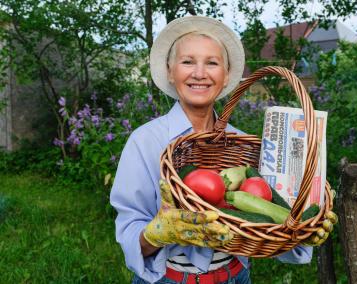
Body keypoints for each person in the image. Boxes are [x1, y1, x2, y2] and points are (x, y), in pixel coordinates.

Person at [110, 16, 312, 284]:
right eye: (187, 61)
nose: (199, 73)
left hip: (237, 277)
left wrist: (303, 230)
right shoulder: (145, 141)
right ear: (170, 72)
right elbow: (130, 231)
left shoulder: (242, 145)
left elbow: (267, 219)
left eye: (212, 63)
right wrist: (158, 233)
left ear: (226, 75)